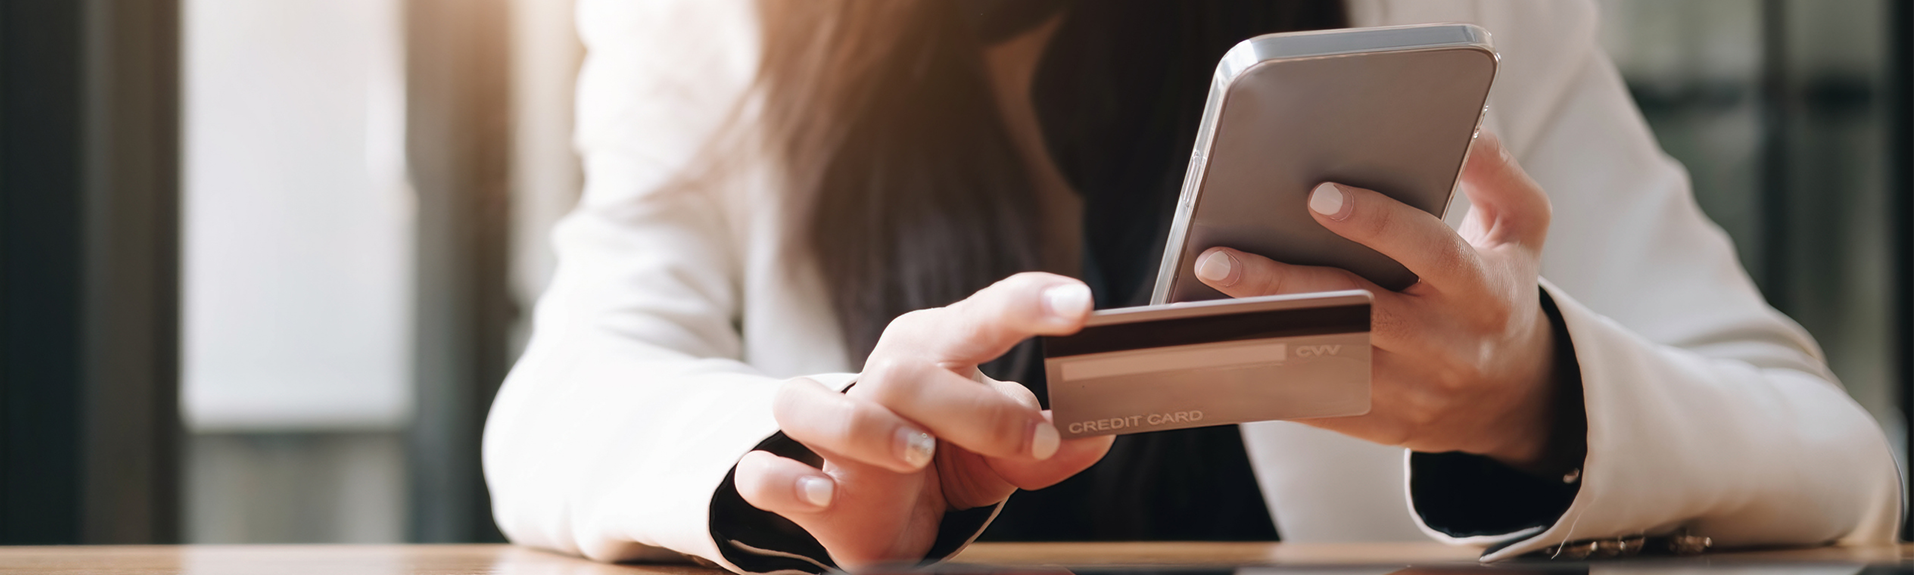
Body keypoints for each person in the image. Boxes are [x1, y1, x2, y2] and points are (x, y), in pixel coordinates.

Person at [483, 1, 1903, 573]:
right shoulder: (710, 26)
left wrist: (1525, 396)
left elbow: (1837, 463)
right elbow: (560, 399)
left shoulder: (1450, 12)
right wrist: (798, 462)